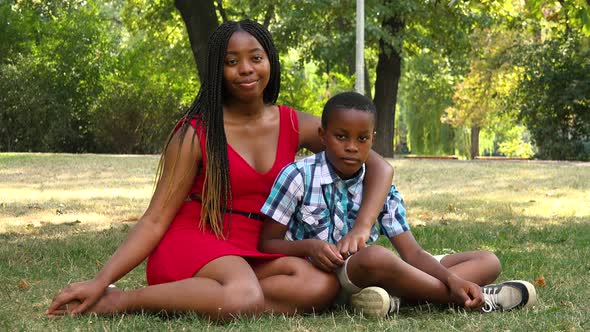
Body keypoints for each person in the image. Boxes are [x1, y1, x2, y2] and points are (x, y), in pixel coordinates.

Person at [45, 20, 395, 322]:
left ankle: (211, 298)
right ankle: (121, 299)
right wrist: (99, 279)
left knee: (319, 286)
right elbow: (155, 219)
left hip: (255, 245)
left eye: (255, 58)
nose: (246, 69)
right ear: (217, 69)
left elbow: (378, 166)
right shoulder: (195, 132)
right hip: (196, 238)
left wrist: (362, 226)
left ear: (269, 62)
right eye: (232, 61)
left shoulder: (293, 122)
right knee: (243, 296)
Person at [259, 92, 537, 317]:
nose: (352, 146)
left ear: (373, 140)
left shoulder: (381, 188)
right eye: (341, 136)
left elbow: (412, 254)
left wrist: (453, 278)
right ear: (322, 135)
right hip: (328, 276)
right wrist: (309, 246)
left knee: (487, 261)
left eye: (362, 138)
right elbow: (267, 244)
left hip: (381, 275)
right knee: (376, 256)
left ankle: (396, 299)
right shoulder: (297, 176)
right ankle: (474, 297)